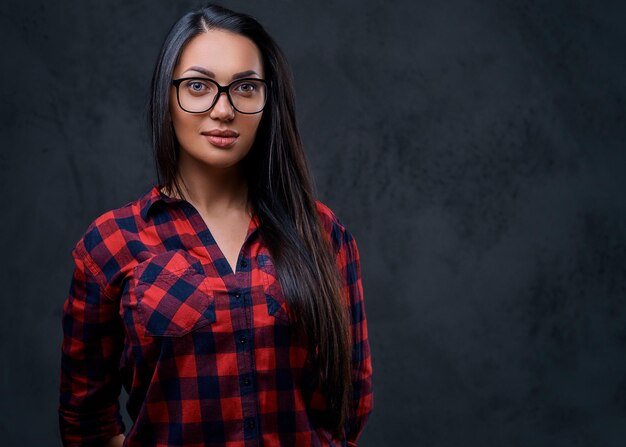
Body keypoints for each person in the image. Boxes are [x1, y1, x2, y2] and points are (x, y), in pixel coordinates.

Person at [58, 4, 373, 446]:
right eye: (199, 86)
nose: (223, 109)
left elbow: (351, 401)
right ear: (166, 96)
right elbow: (86, 422)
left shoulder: (323, 235)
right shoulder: (111, 244)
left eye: (245, 87)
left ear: (268, 101)